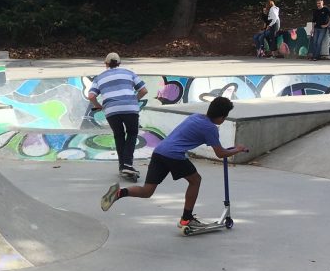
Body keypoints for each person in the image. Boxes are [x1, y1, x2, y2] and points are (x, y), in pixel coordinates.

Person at [100, 96, 249, 229]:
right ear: (221, 117)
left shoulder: (195, 117)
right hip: (174, 155)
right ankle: (186, 218)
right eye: (224, 117)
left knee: (147, 191)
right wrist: (238, 149)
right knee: (195, 180)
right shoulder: (210, 128)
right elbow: (220, 153)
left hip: (159, 151)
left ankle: (119, 193)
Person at [88, 52, 148, 180]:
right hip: (130, 108)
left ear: (106, 64)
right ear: (119, 63)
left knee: (119, 135)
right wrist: (134, 100)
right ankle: (127, 164)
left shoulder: (99, 78)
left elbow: (91, 96)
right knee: (132, 133)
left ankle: (123, 166)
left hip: (111, 110)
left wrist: (99, 106)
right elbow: (144, 90)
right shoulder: (129, 73)